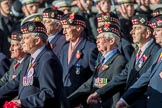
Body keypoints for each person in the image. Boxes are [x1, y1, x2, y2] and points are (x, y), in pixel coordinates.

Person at [86, 14, 160, 108]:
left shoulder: (155, 51)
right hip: (131, 102)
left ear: (147, 33)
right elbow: (124, 76)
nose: (131, 32)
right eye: (132, 28)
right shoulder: (138, 51)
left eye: (137, 28)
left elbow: (147, 81)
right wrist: (100, 92)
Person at [0, 21, 65, 107]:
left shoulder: (47, 60)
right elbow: (15, 83)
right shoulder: (30, 59)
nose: (22, 42)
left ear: (37, 40)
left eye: (26, 38)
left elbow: (50, 94)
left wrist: (23, 102)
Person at [68, 23, 127, 108]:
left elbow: (116, 90)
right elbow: (89, 84)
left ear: (112, 41)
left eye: (101, 38)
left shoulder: (119, 61)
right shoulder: (102, 60)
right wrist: (67, 101)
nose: (97, 40)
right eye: (97, 38)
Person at [116, 15, 162, 108]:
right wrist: (125, 99)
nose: (155, 34)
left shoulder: (155, 50)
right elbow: (146, 76)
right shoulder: (159, 53)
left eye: (157, 31)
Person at [60, 13, 98, 97]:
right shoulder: (64, 49)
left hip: (81, 100)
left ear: (78, 28)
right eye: (63, 28)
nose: (64, 32)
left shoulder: (90, 48)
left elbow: (96, 77)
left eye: (67, 28)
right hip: (66, 99)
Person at [0, 30, 29, 107]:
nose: (10, 49)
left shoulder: (28, 63)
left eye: (14, 45)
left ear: (23, 47)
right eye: (10, 45)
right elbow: (4, 80)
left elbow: (15, 86)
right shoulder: (15, 62)